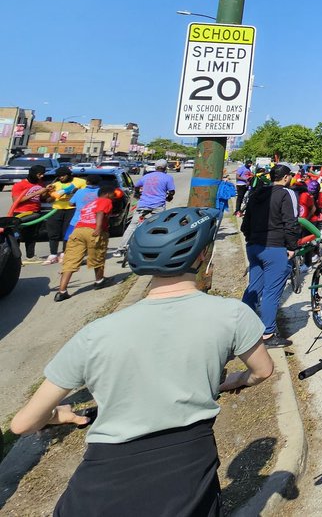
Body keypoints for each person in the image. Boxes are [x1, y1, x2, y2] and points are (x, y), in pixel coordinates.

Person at [10, 207, 273, 517]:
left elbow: (23, 424)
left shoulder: (96, 334)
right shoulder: (232, 315)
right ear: (203, 255)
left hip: (103, 479)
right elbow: (263, 371)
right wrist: (236, 381)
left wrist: (61, 416)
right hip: (189, 468)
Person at [241, 164, 301, 347]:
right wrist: (292, 246)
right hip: (275, 247)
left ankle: (242, 329)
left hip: (254, 247)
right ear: (285, 178)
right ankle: (267, 334)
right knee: (271, 293)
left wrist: (252, 239)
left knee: (254, 288)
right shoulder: (285, 194)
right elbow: (291, 222)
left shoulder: (257, 193)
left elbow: (245, 224)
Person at [56, 186, 120, 301]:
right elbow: (100, 212)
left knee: (70, 260)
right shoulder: (106, 200)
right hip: (93, 231)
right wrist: (99, 228)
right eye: (113, 195)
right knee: (98, 257)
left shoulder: (91, 203)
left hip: (78, 230)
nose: (115, 198)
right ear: (107, 194)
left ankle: (62, 291)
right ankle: (99, 281)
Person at [118, 160, 176, 262]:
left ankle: (121, 248)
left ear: (155, 167)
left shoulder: (146, 176)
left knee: (132, 225)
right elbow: (172, 191)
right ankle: (156, 247)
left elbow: (136, 186)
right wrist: (169, 197)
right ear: (165, 168)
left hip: (143, 205)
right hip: (158, 206)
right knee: (159, 226)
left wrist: (137, 195)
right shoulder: (168, 177)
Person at [44, 167, 86, 265]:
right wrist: (54, 195)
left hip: (72, 210)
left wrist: (76, 192)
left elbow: (85, 194)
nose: (61, 178)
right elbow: (48, 200)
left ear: (69, 174)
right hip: (56, 209)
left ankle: (65, 253)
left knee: (67, 233)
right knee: (53, 232)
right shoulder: (55, 185)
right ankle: (53, 254)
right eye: (59, 176)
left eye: (63, 176)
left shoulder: (80, 182)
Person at [9, 164, 49, 263]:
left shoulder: (40, 184)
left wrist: (47, 190)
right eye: (40, 174)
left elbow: (43, 197)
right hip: (20, 213)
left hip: (35, 212)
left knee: (32, 236)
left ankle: (30, 256)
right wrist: (36, 193)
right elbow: (16, 200)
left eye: (43, 174)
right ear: (33, 174)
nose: (41, 176)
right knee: (17, 236)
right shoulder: (20, 185)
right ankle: (15, 260)